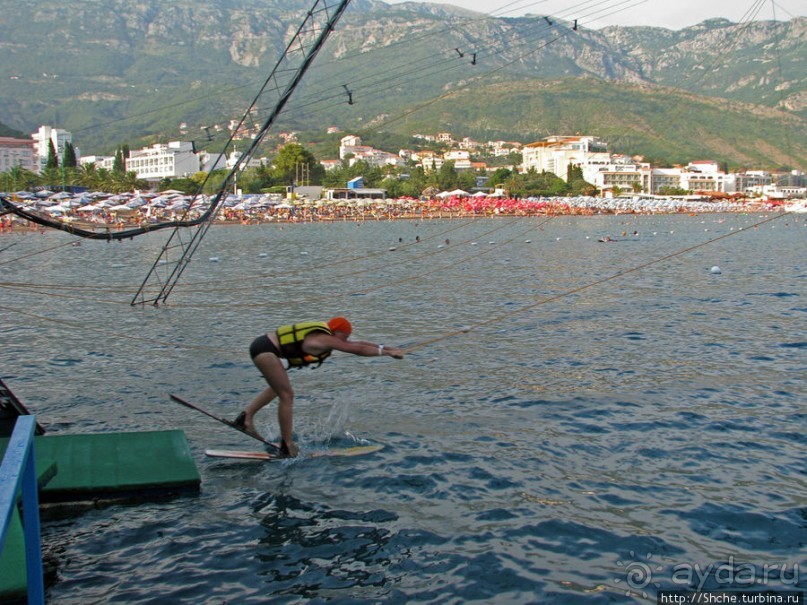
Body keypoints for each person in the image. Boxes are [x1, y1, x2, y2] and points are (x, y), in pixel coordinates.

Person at [235, 317, 404, 457]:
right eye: (344, 336)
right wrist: (388, 354)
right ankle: (287, 445)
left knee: (277, 389)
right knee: (287, 395)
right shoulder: (324, 338)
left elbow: (357, 343)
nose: (345, 340)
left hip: (262, 347)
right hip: (265, 351)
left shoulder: (326, 336)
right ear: (336, 331)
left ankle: (245, 418)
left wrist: (388, 348)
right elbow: (356, 349)